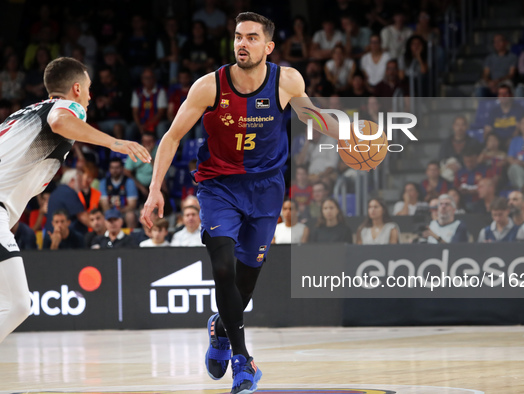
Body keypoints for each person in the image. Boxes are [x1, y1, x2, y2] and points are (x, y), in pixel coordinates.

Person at [141, 13, 341, 392]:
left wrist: (347, 133)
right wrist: (155, 189)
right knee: (222, 268)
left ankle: (219, 328)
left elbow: (313, 119)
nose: (241, 44)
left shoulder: (287, 80)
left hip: (266, 190)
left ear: (268, 47)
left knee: (245, 282)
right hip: (219, 187)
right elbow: (170, 138)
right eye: (237, 37)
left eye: (251, 37)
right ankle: (243, 360)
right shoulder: (208, 86)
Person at [0, 57, 150, 343]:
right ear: (78, 89)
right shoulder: (67, 108)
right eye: (90, 89)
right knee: (18, 305)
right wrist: (115, 143)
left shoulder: (18, 116)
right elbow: (60, 122)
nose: (91, 97)